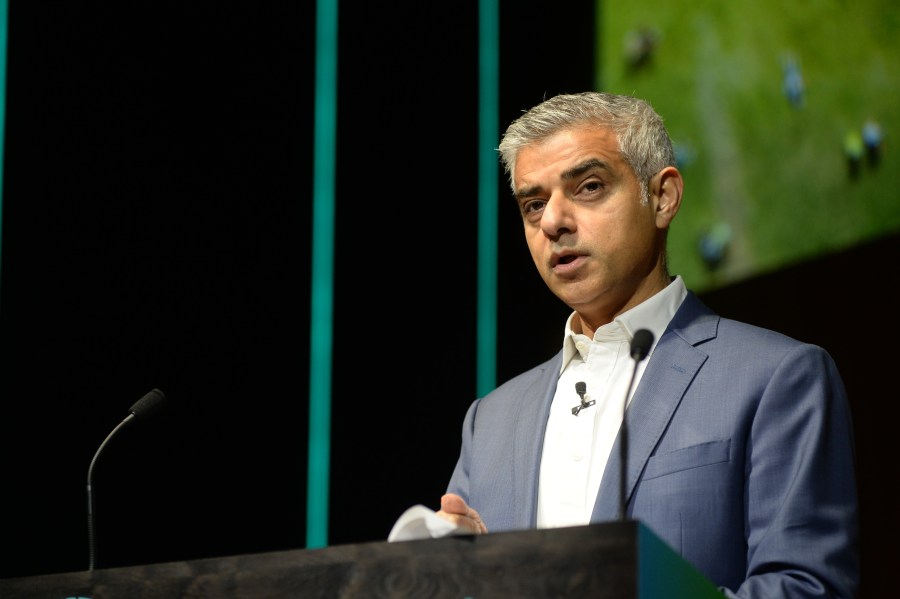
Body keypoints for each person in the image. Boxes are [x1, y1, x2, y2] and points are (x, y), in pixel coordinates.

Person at [435, 92, 859, 598]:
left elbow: (807, 588)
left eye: (588, 187)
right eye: (533, 204)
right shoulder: (490, 421)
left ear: (662, 198)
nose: (553, 222)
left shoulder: (777, 378)